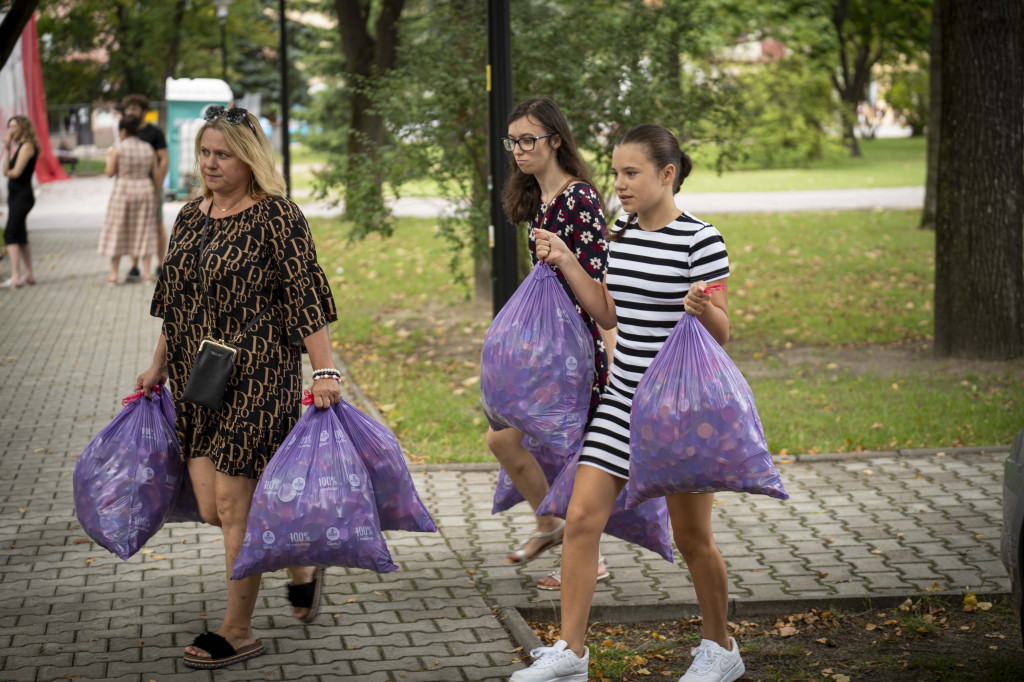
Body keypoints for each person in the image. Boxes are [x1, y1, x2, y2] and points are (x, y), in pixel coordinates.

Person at [510, 124, 743, 682]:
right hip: (621, 400)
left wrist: (702, 308)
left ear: (668, 175)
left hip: (677, 410)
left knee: (692, 538)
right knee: (583, 517)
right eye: (616, 173)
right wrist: (568, 259)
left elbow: (724, 331)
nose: (620, 184)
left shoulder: (700, 239)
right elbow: (609, 312)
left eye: (631, 173)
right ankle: (571, 652)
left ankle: (721, 647)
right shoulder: (622, 233)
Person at [135, 105, 340, 670]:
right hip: (198, 378)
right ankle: (300, 563)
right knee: (212, 509)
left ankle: (238, 628)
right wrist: (157, 365)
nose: (210, 163)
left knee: (233, 503)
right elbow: (174, 304)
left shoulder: (277, 217)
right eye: (204, 152)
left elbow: (308, 296)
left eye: (223, 154)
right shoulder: (189, 216)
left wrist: (324, 369)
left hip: (260, 375)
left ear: (250, 159)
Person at [489, 97, 612, 590]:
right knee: (504, 437)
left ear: (555, 141)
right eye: (513, 141)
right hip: (543, 350)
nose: (518, 150)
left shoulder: (578, 198)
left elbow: (599, 278)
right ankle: (551, 525)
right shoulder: (540, 198)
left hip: (574, 351)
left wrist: (609, 347)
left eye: (528, 140)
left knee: (573, 454)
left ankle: (589, 559)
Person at [98, 115, 160, 283]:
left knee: (117, 229)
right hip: (145, 189)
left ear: (123, 131)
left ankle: (113, 274)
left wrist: (108, 158)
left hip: (123, 190)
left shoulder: (118, 148)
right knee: (144, 230)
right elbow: (155, 174)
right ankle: (147, 274)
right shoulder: (148, 148)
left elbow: (110, 173)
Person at [121, 94, 169, 281]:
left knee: (156, 225)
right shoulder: (127, 132)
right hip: (132, 187)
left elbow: (163, 159)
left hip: (152, 186)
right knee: (134, 226)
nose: (130, 111)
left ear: (143, 111)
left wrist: (157, 186)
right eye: (128, 108)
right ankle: (134, 266)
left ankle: (160, 264)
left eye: (134, 108)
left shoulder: (154, 133)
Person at [1, 115, 39, 289]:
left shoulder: (27, 147)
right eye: (9, 127)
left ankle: (15, 276)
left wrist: (9, 172)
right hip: (16, 196)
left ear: (23, 127)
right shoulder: (18, 147)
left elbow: (15, 173)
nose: (11, 130)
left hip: (23, 197)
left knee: (9, 234)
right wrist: (7, 149)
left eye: (14, 126)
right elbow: (4, 170)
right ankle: (29, 274)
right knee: (21, 235)